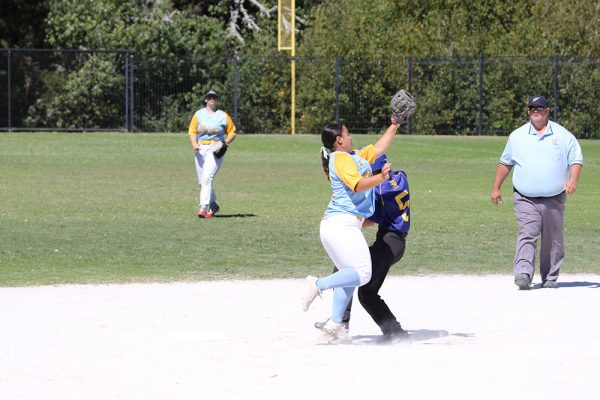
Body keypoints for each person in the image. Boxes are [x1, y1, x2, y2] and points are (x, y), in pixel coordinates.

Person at [302, 116, 402, 343]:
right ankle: (317, 284)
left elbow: (378, 148)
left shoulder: (354, 156)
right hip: (341, 225)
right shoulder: (340, 159)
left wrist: (395, 124)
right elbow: (357, 184)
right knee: (363, 273)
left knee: (349, 275)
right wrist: (381, 177)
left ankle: (336, 324)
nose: (351, 137)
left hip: (341, 225)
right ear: (339, 140)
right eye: (347, 134)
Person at [315, 153, 411, 342]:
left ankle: (395, 332)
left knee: (367, 292)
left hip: (389, 242)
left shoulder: (378, 190)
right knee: (343, 268)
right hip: (394, 240)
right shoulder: (400, 177)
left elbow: (367, 221)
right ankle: (339, 321)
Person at [491, 95, 583, 290]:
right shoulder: (517, 136)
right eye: (532, 108)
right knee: (528, 232)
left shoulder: (563, 135)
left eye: (539, 108)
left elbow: (576, 158)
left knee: (553, 237)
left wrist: (573, 180)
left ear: (547, 110)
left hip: (555, 197)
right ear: (528, 111)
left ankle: (550, 276)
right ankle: (523, 273)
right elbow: (506, 162)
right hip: (525, 196)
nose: (535, 111)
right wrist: (496, 187)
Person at [187, 89, 236, 218]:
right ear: (205, 100)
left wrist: (225, 142)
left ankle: (203, 207)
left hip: (215, 149)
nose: (211, 99)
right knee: (201, 181)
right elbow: (192, 131)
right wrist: (194, 144)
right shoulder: (198, 114)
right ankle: (213, 204)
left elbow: (232, 132)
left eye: (213, 97)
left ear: (216, 100)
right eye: (209, 97)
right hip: (200, 149)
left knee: (207, 178)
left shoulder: (223, 116)